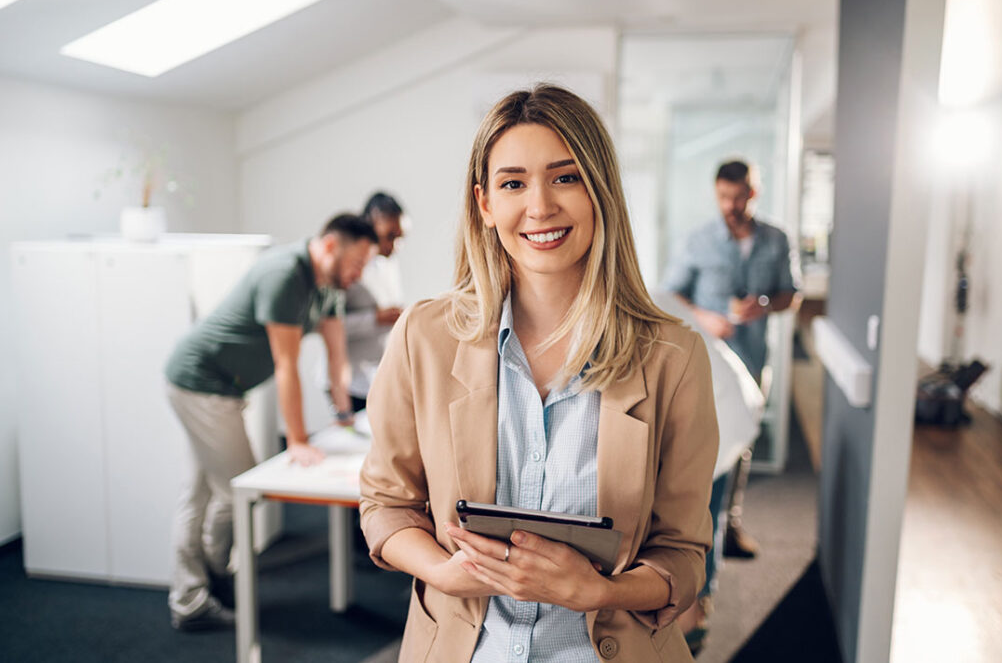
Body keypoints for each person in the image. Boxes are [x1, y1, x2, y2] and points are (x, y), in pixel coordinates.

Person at [359, 84, 719, 663]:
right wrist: (443, 574)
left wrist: (601, 591)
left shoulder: (672, 357)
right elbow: (386, 504)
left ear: (599, 190)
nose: (540, 206)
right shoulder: (423, 336)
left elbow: (682, 552)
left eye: (566, 177)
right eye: (512, 183)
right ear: (484, 203)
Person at [163, 214, 377, 631]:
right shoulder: (285, 274)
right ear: (330, 246)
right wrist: (296, 439)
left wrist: (344, 417)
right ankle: (208, 584)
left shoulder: (329, 287)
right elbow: (286, 364)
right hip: (201, 383)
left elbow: (337, 358)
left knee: (200, 493)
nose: (360, 272)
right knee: (234, 489)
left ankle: (193, 593)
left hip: (222, 387)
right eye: (358, 261)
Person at [662, 159, 799, 650]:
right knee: (707, 475)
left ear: (754, 192)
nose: (731, 206)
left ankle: (731, 526)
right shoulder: (698, 239)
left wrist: (764, 304)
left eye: (739, 197)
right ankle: (702, 590)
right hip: (711, 369)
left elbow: (792, 295)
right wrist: (707, 317)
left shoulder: (776, 241)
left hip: (753, 365)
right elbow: (671, 292)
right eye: (724, 197)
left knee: (737, 456)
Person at [341, 192, 406, 413]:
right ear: (372, 222)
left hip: (375, 376)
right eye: (390, 236)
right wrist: (374, 319)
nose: (395, 246)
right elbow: (327, 324)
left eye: (400, 237)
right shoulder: (349, 265)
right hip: (349, 379)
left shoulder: (389, 262)